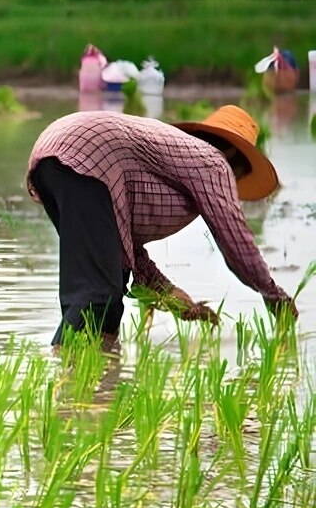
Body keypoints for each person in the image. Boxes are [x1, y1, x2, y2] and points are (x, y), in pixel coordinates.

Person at [25, 105, 297, 349]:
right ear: (232, 154)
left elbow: (123, 246)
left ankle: (96, 383)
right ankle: (68, 378)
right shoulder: (212, 160)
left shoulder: (178, 159)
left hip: (56, 157)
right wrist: (273, 295)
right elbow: (235, 241)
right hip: (86, 155)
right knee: (97, 297)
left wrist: (177, 301)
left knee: (107, 289)